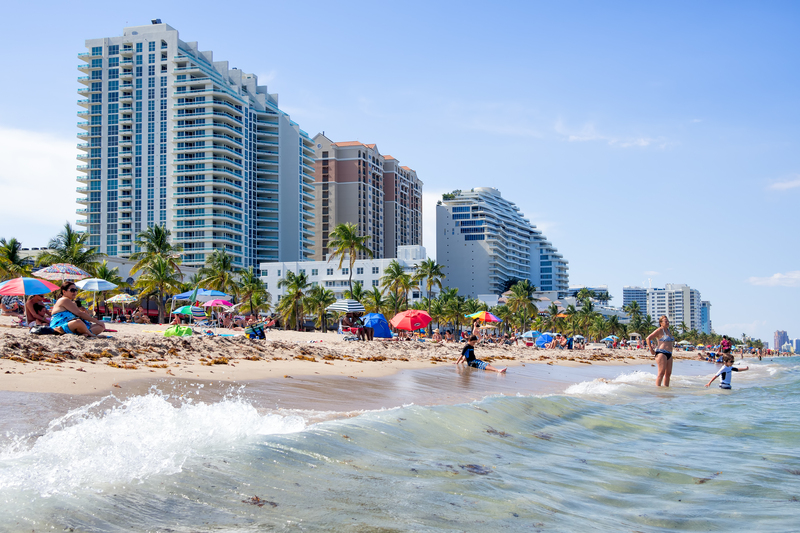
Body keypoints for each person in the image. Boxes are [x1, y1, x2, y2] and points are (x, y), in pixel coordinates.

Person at [645, 315, 675, 387]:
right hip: (661, 352)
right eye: (665, 321)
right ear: (661, 323)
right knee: (661, 373)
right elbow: (648, 338)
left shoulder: (668, 331)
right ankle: (658, 390)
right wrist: (651, 349)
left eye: (668, 321)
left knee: (668, 374)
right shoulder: (659, 330)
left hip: (669, 354)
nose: (667, 322)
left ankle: (665, 390)